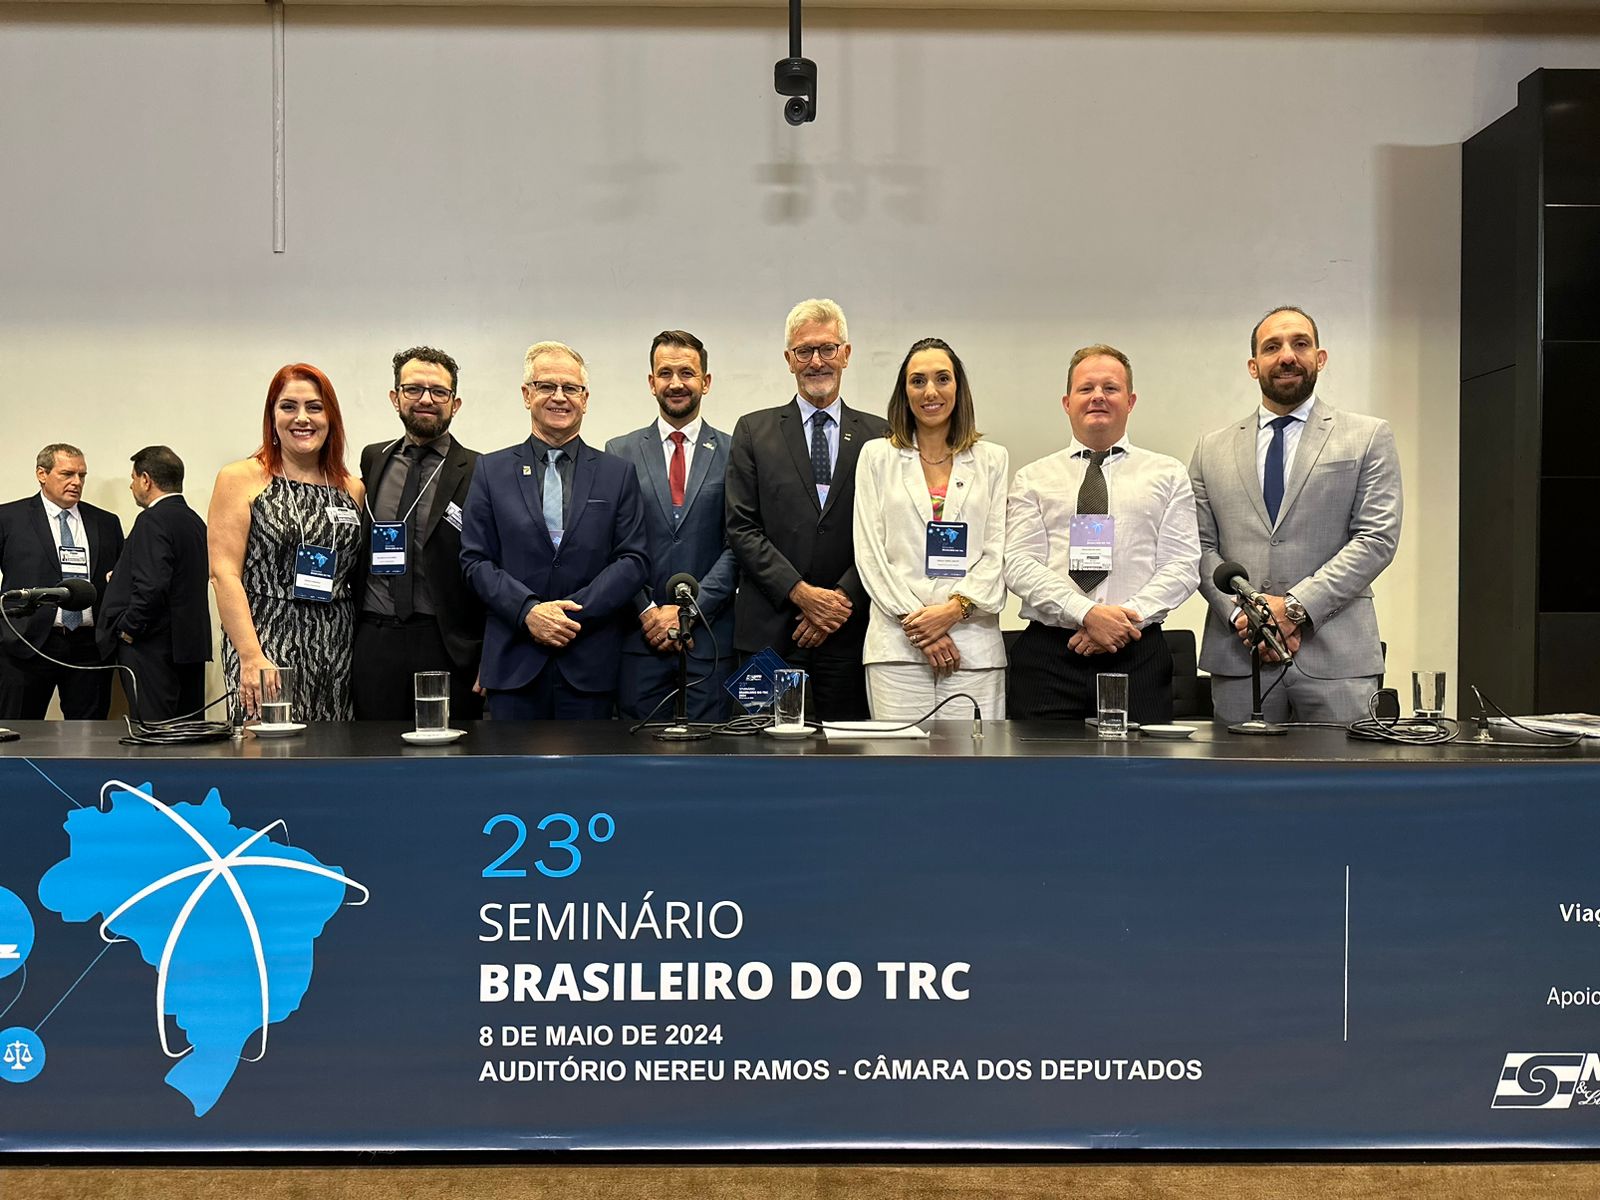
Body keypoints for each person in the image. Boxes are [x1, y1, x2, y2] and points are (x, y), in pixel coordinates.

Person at [1189, 306, 1402, 724]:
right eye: (1272, 347)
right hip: (1239, 657)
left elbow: (1376, 539)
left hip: (1336, 660)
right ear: (1254, 366)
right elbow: (1197, 547)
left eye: (1300, 344)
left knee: (1338, 788)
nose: (1287, 356)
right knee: (1238, 789)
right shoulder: (1209, 449)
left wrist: (1294, 608)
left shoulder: (1368, 436)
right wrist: (1245, 614)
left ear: (1319, 358)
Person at [1005, 344, 1199, 723]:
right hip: (1049, 657)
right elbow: (1019, 564)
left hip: (1137, 651)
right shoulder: (1033, 477)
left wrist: (1123, 623)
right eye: (1086, 388)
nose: (1098, 396)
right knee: (1041, 778)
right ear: (1066, 402)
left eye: (1110, 388)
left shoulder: (1168, 474)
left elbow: (1183, 566)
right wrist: (1087, 613)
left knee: (1139, 778)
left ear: (1130, 400)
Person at [460, 341, 648, 720]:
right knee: (512, 777)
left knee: (590, 780)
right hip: (513, 663)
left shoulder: (618, 474)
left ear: (586, 398)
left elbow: (633, 560)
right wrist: (528, 611)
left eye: (571, 388)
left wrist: (570, 618)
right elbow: (474, 561)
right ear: (527, 394)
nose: (559, 397)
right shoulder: (490, 471)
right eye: (547, 386)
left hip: (591, 665)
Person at [726, 298, 890, 720]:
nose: (817, 361)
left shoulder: (881, 436)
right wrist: (801, 594)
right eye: (804, 351)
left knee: (847, 762)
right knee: (759, 758)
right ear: (789, 360)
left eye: (827, 348)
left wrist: (837, 601)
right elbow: (741, 528)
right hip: (769, 631)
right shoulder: (752, 430)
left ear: (846, 354)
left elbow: (886, 533)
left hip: (847, 630)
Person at [853, 337, 1010, 722]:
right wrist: (922, 625)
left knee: (973, 773)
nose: (931, 392)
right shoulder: (877, 457)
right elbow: (869, 553)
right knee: (899, 774)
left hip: (973, 646)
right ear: (904, 392)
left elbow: (998, 551)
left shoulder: (992, 460)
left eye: (943, 379)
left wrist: (954, 611)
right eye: (917, 381)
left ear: (959, 387)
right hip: (898, 648)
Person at [208, 364, 365, 720]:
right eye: (288, 406)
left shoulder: (350, 488)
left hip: (337, 647)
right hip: (266, 644)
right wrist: (249, 655)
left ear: (331, 417)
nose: (302, 418)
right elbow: (223, 574)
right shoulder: (241, 478)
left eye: (314, 407)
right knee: (266, 756)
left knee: (331, 757)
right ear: (272, 416)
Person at [605, 330, 737, 722]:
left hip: (710, 640)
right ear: (651, 382)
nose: (676, 383)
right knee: (637, 766)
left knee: (709, 763)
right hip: (640, 639)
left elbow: (738, 544)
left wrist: (691, 613)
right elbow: (614, 544)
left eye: (687, 373)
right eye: (665, 373)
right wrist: (648, 612)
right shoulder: (620, 452)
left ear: (706, 382)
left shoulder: (735, 452)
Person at [351, 346, 485, 722]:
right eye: (413, 389)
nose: (426, 399)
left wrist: (490, 654)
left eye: (438, 392)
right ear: (395, 398)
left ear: (454, 404)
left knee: (448, 763)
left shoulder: (481, 470)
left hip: (447, 644)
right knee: (374, 759)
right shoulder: (374, 458)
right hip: (375, 639)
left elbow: (493, 564)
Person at [0, 443, 124, 719]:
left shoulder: (105, 522)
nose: (76, 482)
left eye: (82, 475)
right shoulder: (9, 518)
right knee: (19, 734)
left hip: (88, 648)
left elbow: (118, 583)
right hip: (26, 644)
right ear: (41, 474)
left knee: (87, 738)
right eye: (67, 474)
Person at [97, 446, 212, 722]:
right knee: (186, 736)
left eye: (134, 478)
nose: (131, 485)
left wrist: (128, 629)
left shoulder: (152, 520)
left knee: (155, 735)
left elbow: (153, 585)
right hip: (188, 648)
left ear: (146, 480)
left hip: (152, 649)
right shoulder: (195, 521)